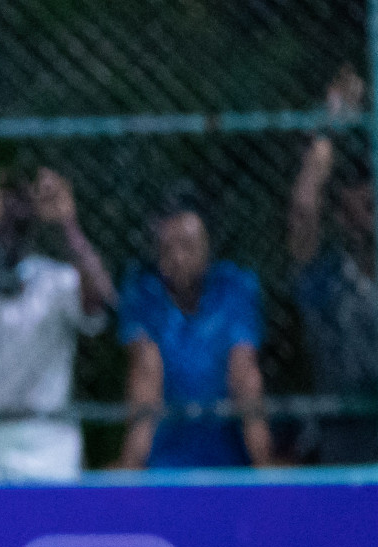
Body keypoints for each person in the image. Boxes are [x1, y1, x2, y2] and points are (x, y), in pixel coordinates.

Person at [0, 169, 115, 484]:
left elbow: (101, 300)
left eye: (16, 221)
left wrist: (68, 225)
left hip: (46, 443)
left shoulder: (57, 280)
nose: (6, 232)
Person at [117, 199, 270, 469]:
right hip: (163, 465)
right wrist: (131, 468)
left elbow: (244, 373)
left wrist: (264, 467)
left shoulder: (235, 287)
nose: (177, 257)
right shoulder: (142, 291)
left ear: (208, 246)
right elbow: (146, 373)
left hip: (230, 464)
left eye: (187, 246)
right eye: (167, 249)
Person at [289, 68, 378, 464]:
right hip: (345, 449)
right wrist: (330, 123)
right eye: (365, 205)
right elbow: (304, 209)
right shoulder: (328, 281)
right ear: (342, 215)